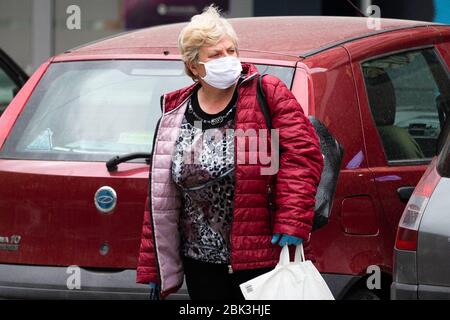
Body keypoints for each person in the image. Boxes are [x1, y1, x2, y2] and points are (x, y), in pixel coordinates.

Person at [136, 5, 324, 300]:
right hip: (200, 262)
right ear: (194, 66)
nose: (228, 59)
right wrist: (154, 266)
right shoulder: (175, 113)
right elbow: (160, 196)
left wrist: (292, 220)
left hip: (261, 256)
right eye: (216, 55)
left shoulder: (267, 92)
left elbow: (303, 155)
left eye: (231, 51)